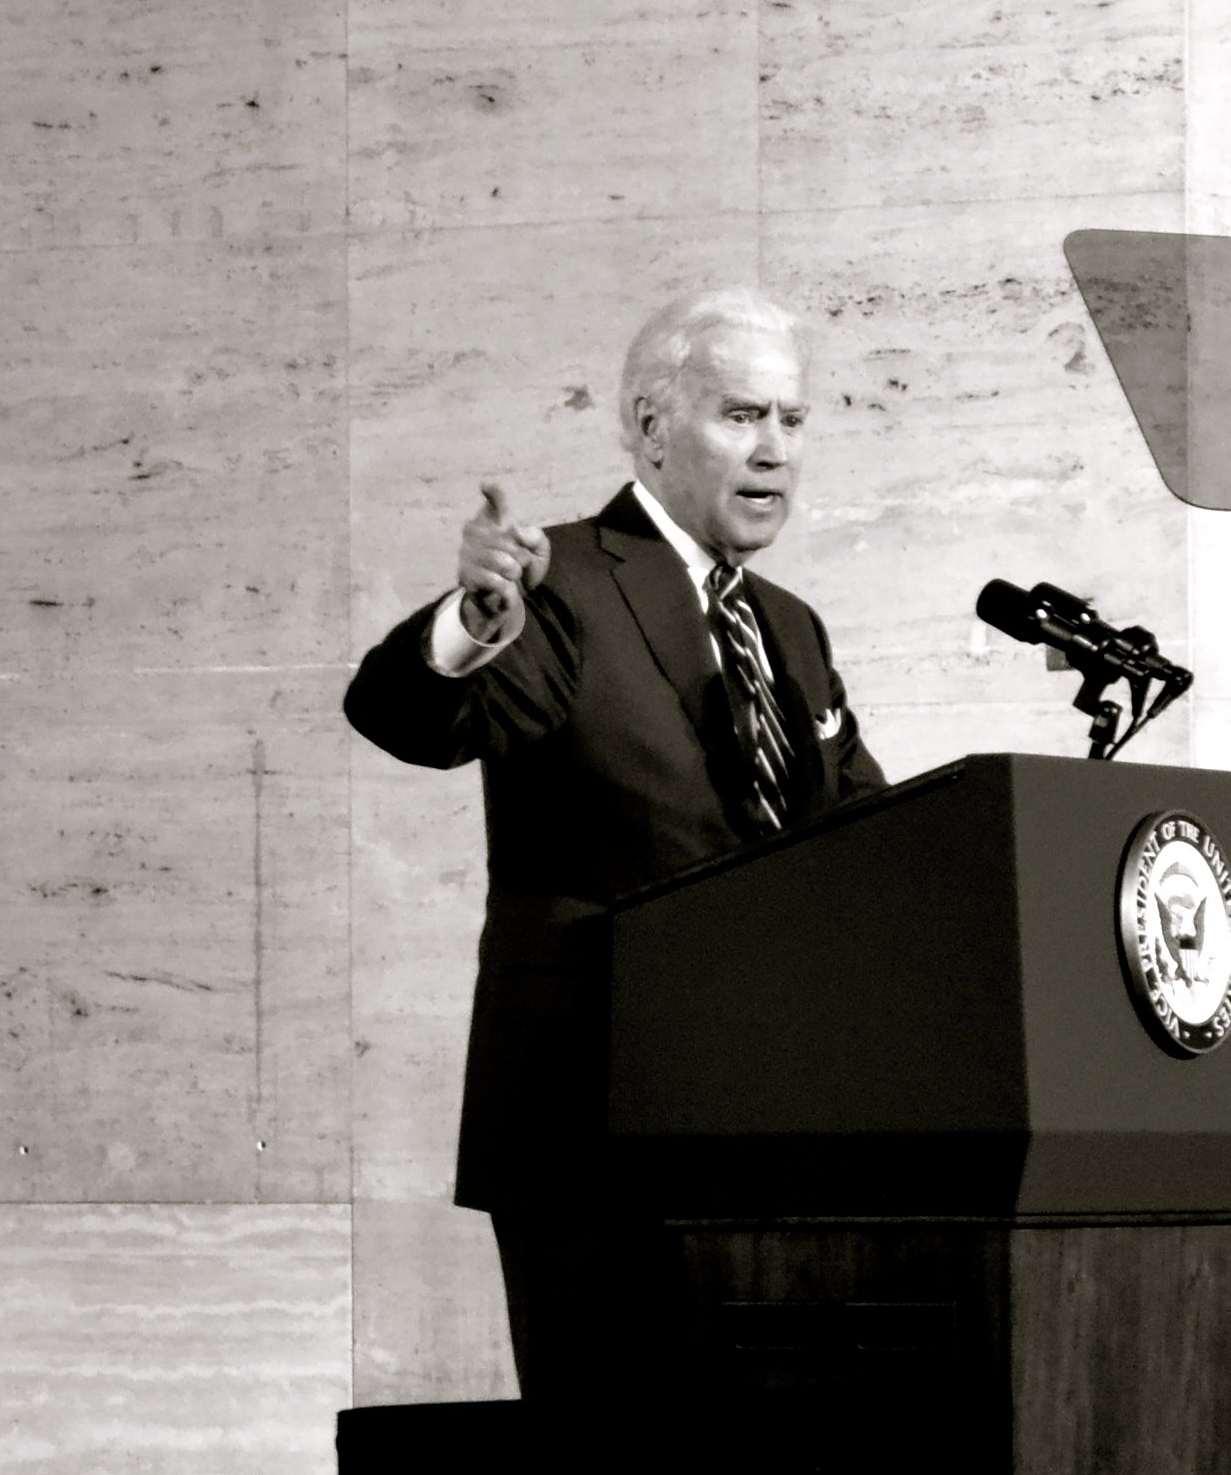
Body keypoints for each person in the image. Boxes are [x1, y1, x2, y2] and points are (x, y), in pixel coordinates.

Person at [342, 288, 887, 1395]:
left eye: (794, 419)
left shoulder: (790, 624)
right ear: (649, 424)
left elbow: (864, 834)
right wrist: (473, 620)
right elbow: (409, 718)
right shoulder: (567, 583)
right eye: (743, 416)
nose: (776, 450)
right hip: (594, 1133)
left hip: (771, 1123)